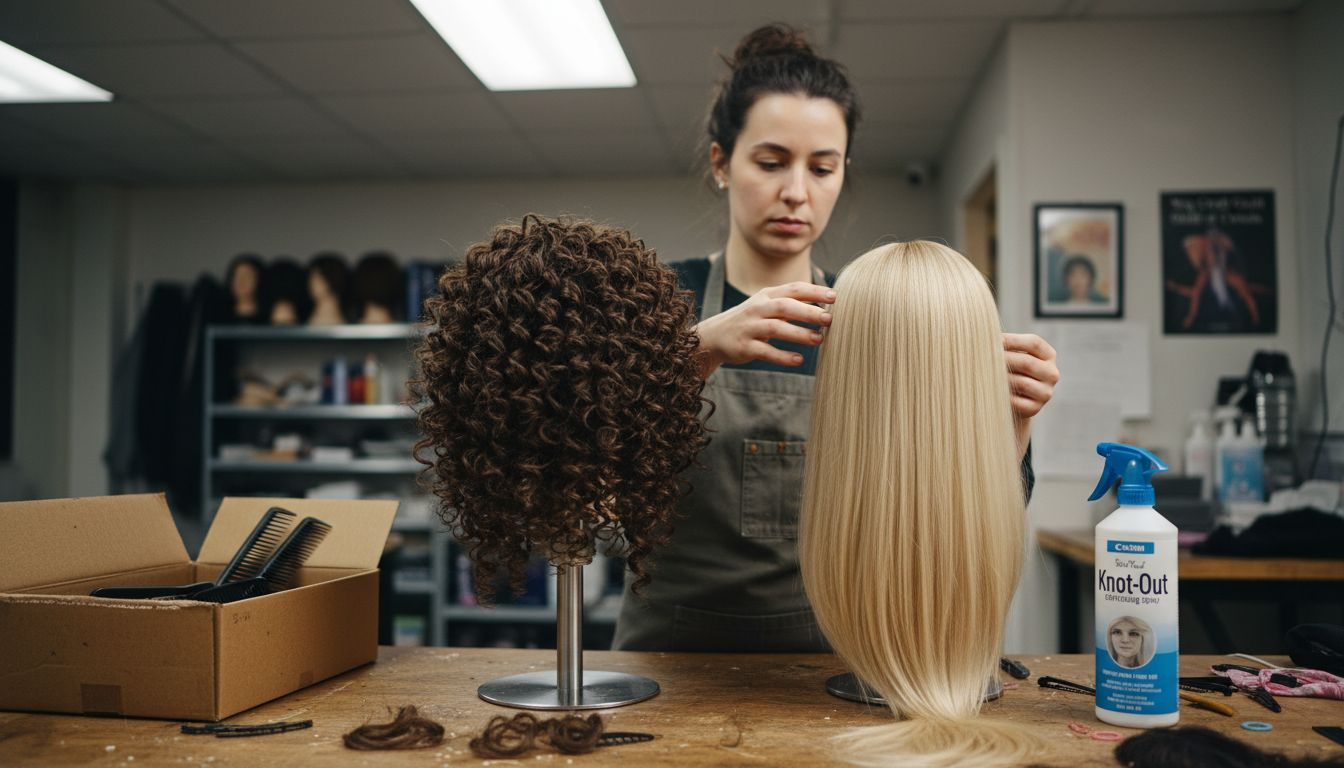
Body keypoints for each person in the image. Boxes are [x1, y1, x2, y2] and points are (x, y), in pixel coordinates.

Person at [611, 24, 1060, 652]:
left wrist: (1008, 423)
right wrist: (699, 350)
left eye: (822, 168)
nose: (796, 191)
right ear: (721, 163)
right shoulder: (655, 300)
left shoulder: (876, 316)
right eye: (770, 163)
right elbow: (588, 474)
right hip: (672, 651)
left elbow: (965, 511)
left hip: (834, 656)